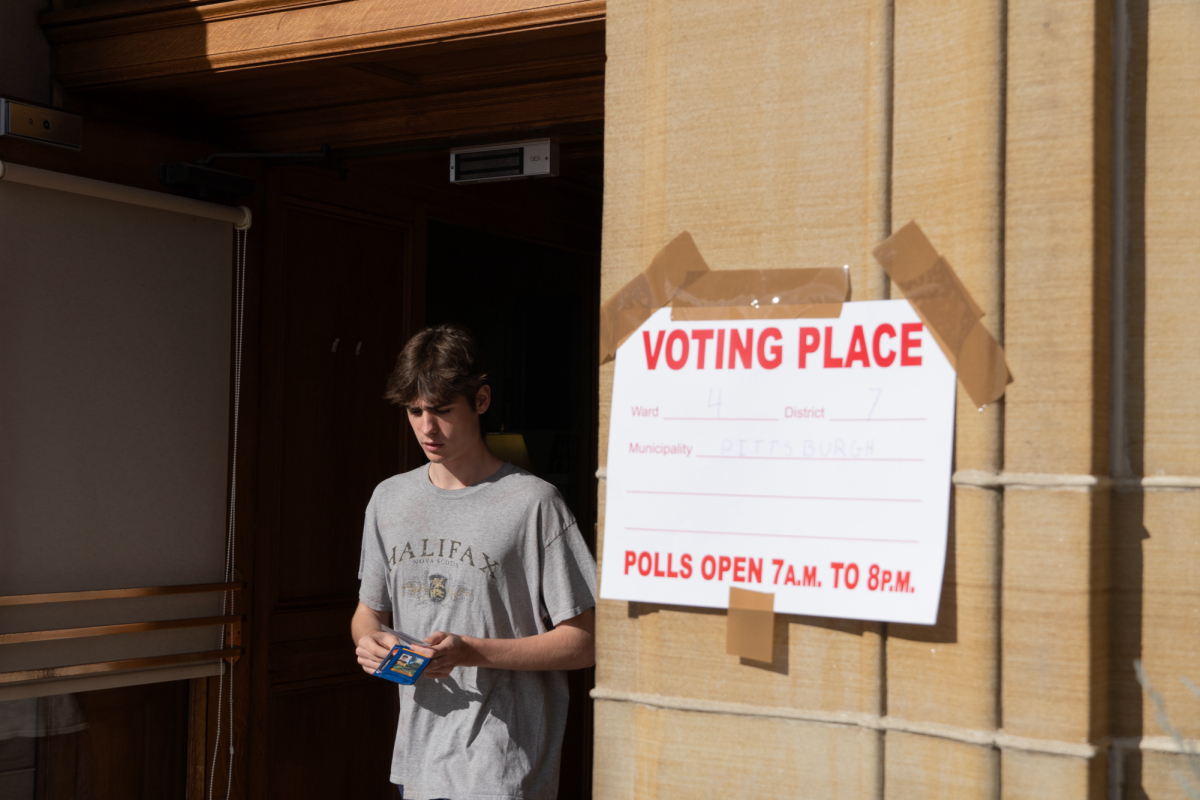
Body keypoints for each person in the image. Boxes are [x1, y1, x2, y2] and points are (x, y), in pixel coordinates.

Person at [352, 323, 597, 800]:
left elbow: (587, 642)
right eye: (415, 410)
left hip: (503, 766)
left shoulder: (534, 504)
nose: (427, 427)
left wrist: (470, 651)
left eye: (442, 410)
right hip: (418, 762)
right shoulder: (389, 500)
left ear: (480, 402)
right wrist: (369, 643)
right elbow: (368, 611)